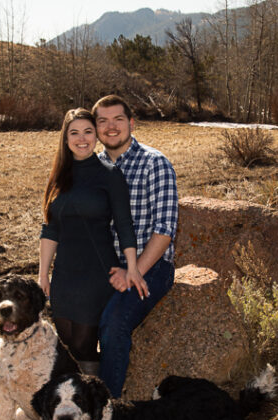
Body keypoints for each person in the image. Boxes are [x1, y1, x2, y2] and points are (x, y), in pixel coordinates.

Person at [39, 108, 148, 376]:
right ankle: (70, 404)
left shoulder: (110, 175)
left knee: (84, 344)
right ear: (65, 139)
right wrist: (43, 274)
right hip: (64, 276)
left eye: (88, 131)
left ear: (96, 136)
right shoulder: (58, 176)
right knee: (66, 344)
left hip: (97, 275)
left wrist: (132, 267)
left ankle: (94, 403)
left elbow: (125, 226)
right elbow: (51, 229)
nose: (82, 139)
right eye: (74, 133)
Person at [92, 95, 178, 397]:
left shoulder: (155, 164)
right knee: (74, 316)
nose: (110, 127)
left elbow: (164, 230)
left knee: (114, 323)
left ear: (131, 122)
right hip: (108, 266)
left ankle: (107, 409)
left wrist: (133, 272)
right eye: (102, 121)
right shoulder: (94, 166)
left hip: (151, 266)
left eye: (117, 119)